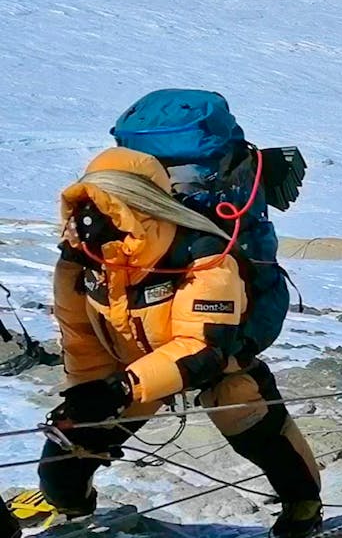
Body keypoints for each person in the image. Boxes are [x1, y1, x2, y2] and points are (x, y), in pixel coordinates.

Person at [41, 148, 321, 537]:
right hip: (135, 369)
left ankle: (304, 508)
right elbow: (80, 330)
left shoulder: (203, 253)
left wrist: (121, 389)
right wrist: (88, 390)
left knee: (264, 441)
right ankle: (77, 515)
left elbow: (203, 347)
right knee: (62, 466)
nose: (88, 218)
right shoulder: (87, 257)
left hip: (217, 363)